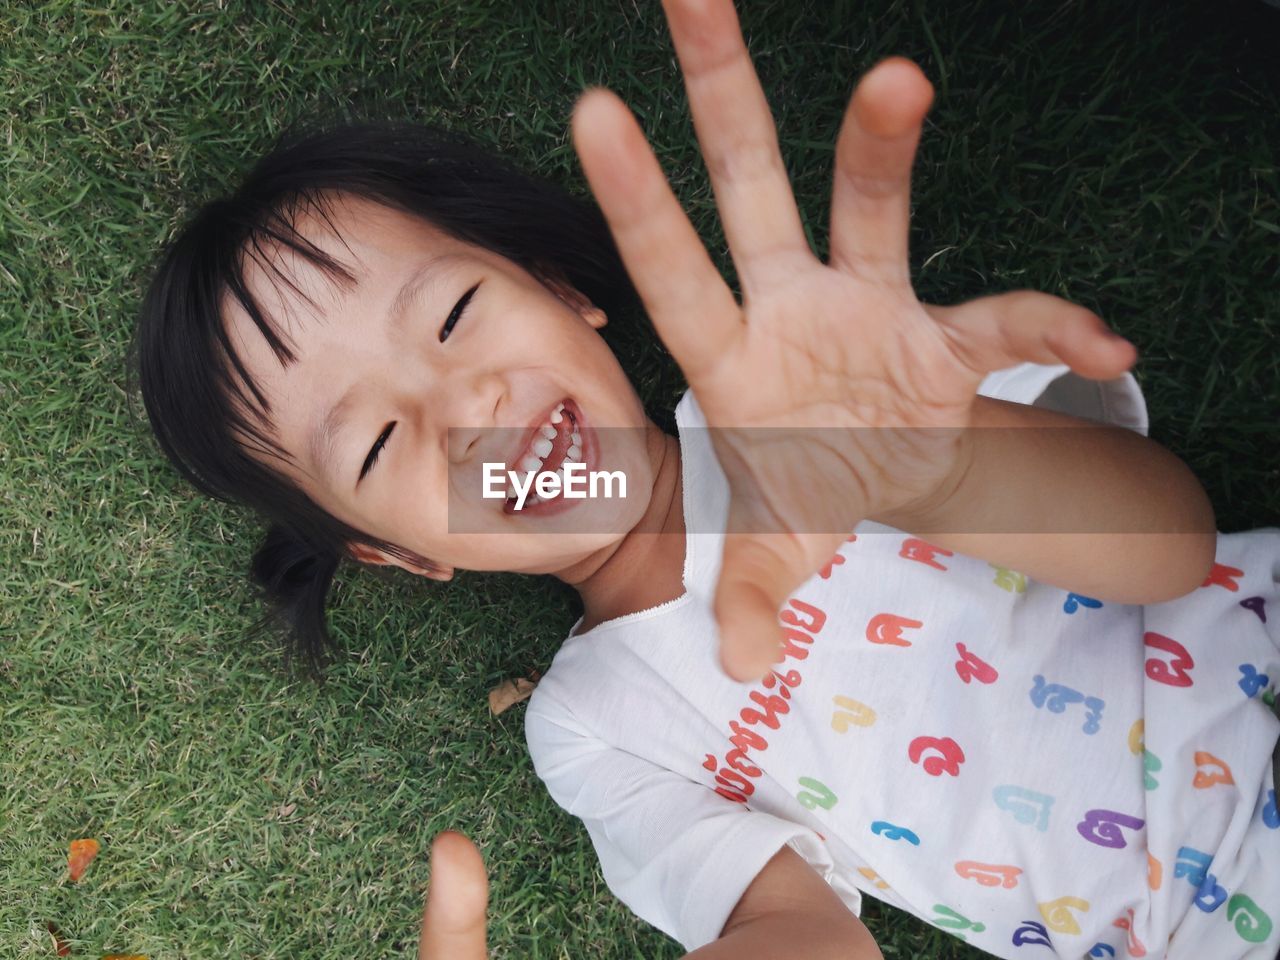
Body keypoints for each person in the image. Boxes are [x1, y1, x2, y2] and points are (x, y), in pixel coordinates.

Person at [128, 0, 1280, 956]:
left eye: (456, 315)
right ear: (400, 553)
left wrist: (932, 465)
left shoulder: (792, 404)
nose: (461, 407)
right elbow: (805, 936)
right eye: (375, 446)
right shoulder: (594, 730)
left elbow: (1171, 552)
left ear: (564, 290)